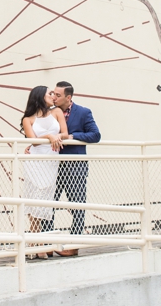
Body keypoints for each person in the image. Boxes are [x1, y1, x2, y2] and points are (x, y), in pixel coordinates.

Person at [50, 81, 101, 256]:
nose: (54, 97)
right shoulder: (49, 112)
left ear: (68, 97)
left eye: (58, 95)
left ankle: (74, 244)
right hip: (52, 166)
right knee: (48, 204)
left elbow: (95, 135)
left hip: (75, 166)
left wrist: (72, 136)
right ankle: (49, 243)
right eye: (53, 94)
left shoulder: (84, 112)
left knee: (78, 205)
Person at [20, 85, 68, 259]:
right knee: (34, 198)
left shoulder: (56, 113)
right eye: (50, 94)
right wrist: (49, 137)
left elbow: (65, 134)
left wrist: (56, 137)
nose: (53, 96)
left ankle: (34, 241)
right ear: (40, 96)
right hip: (35, 160)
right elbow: (33, 141)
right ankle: (38, 243)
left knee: (45, 198)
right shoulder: (28, 119)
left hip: (51, 160)